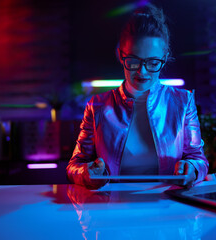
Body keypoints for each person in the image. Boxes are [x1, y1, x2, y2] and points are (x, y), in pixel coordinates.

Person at [67, 4, 208, 189]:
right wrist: (88, 173)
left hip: (168, 207)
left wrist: (191, 169)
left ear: (164, 58)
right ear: (120, 55)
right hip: (112, 208)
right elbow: (74, 165)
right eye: (133, 61)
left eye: (152, 62)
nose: (142, 71)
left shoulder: (183, 102)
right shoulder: (97, 106)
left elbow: (198, 159)